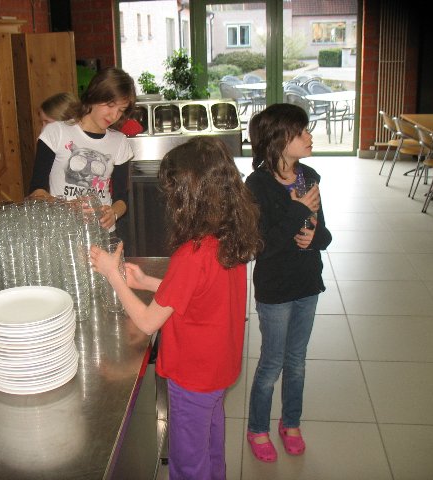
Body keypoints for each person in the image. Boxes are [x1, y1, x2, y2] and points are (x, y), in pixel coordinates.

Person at [90, 136, 262, 479]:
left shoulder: (192, 253)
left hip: (193, 377)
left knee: (187, 464)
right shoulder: (228, 237)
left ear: (190, 196)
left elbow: (148, 322)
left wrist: (113, 275)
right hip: (218, 370)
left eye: (173, 192)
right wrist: (145, 281)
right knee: (211, 447)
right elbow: (199, 296)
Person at [244, 103, 332, 462]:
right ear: (278, 140)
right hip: (276, 289)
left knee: (297, 362)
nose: (309, 136)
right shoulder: (257, 186)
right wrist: (297, 211)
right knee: (272, 363)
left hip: (307, 284)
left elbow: (324, 233)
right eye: (301, 131)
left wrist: (315, 238)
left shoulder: (308, 176)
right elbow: (260, 246)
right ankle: (257, 428)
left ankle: (291, 422)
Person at [28, 67, 136, 230]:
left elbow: (122, 198)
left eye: (121, 110)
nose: (114, 115)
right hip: (63, 232)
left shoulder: (119, 141)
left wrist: (113, 213)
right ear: (95, 95)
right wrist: (67, 206)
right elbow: (36, 192)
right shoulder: (56, 132)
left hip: (102, 233)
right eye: (110, 105)